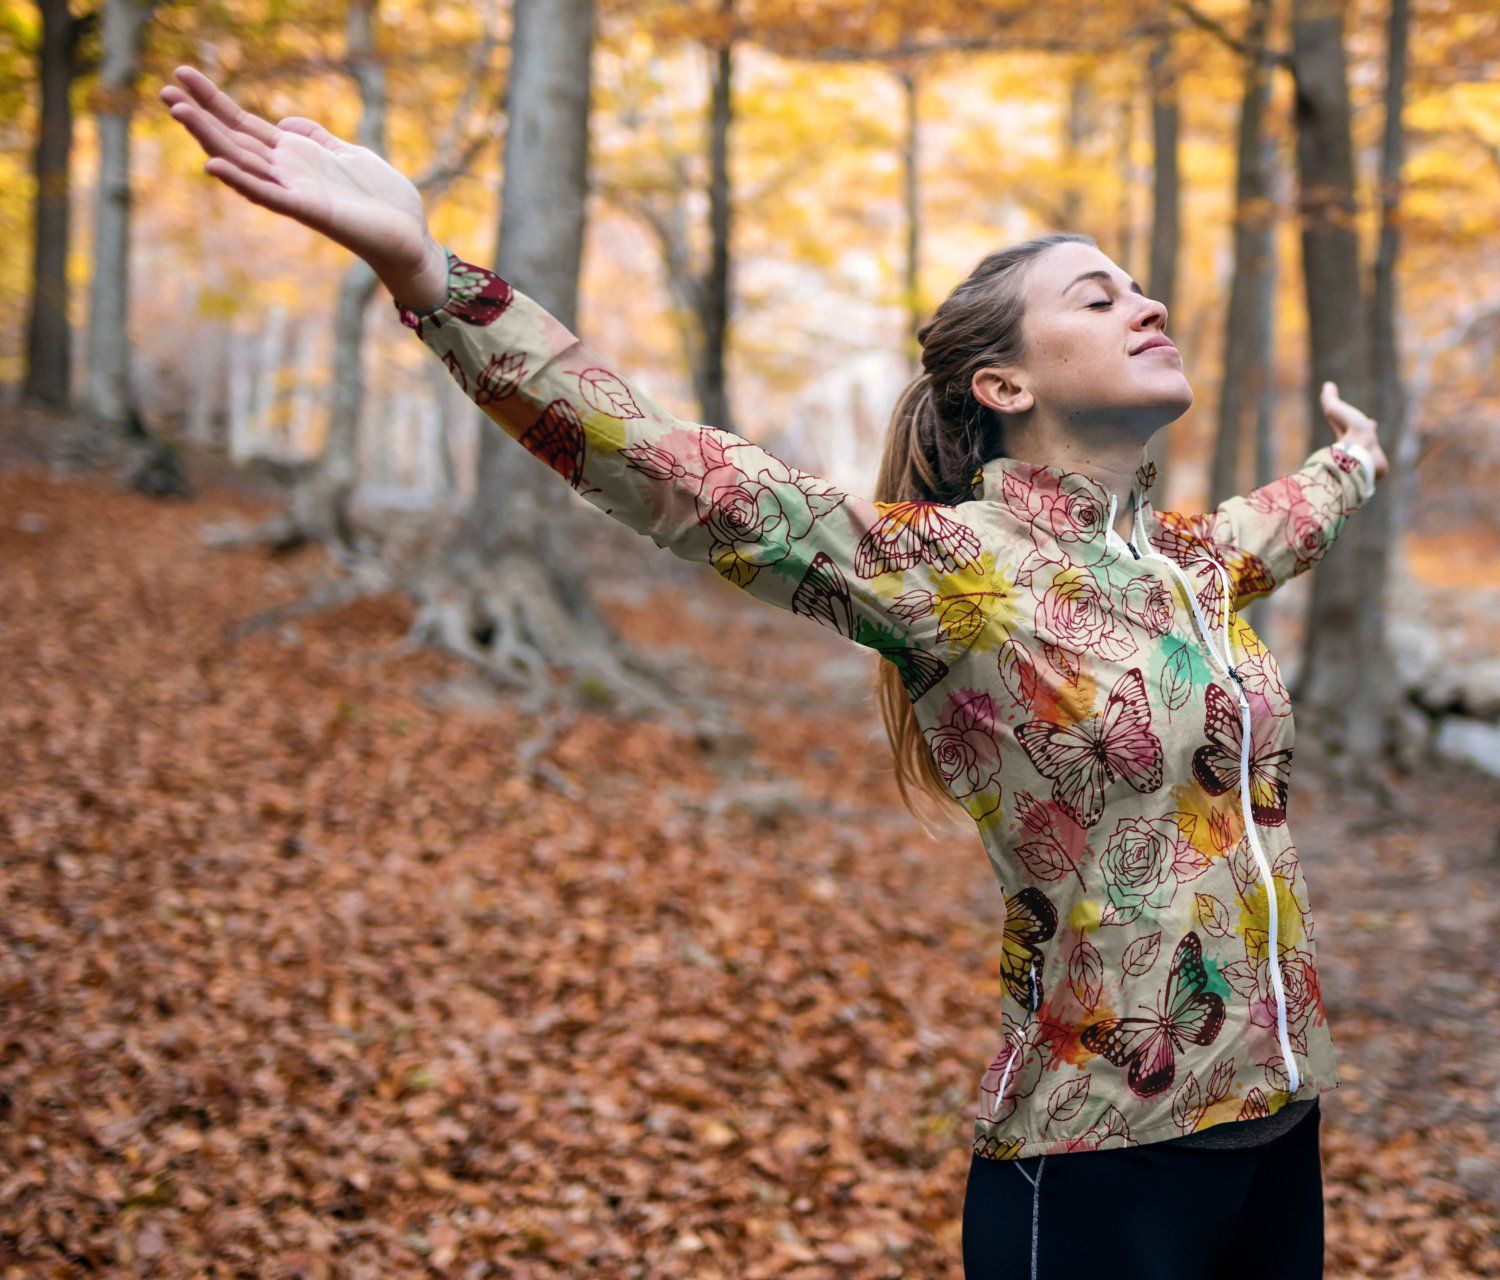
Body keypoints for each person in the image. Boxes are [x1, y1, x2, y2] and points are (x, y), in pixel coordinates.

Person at [160, 62, 1388, 1280]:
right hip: (1101, 1157)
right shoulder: (950, 570)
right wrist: (433, 282)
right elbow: (674, 468)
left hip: (1280, 1126)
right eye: (1096, 295)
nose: (1144, 300)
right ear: (1004, 384)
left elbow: (1293, 514)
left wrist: (1359, 458)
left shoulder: (1190, 564)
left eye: (1138, 285)